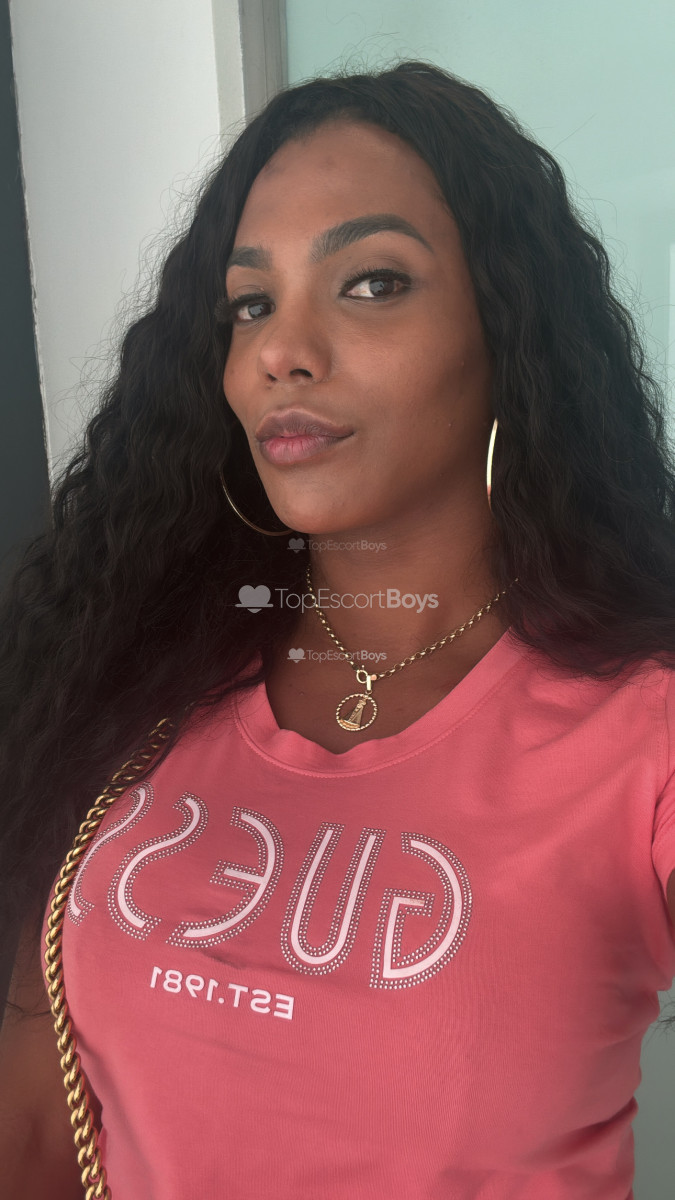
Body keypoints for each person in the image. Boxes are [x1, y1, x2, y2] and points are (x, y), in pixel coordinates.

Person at [1, 58, 675, 1200]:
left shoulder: (641, 727)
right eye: (250, 304)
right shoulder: (127, 674)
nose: (281, 351)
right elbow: (34, 1133)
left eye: (371, 284)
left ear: (510, 333)